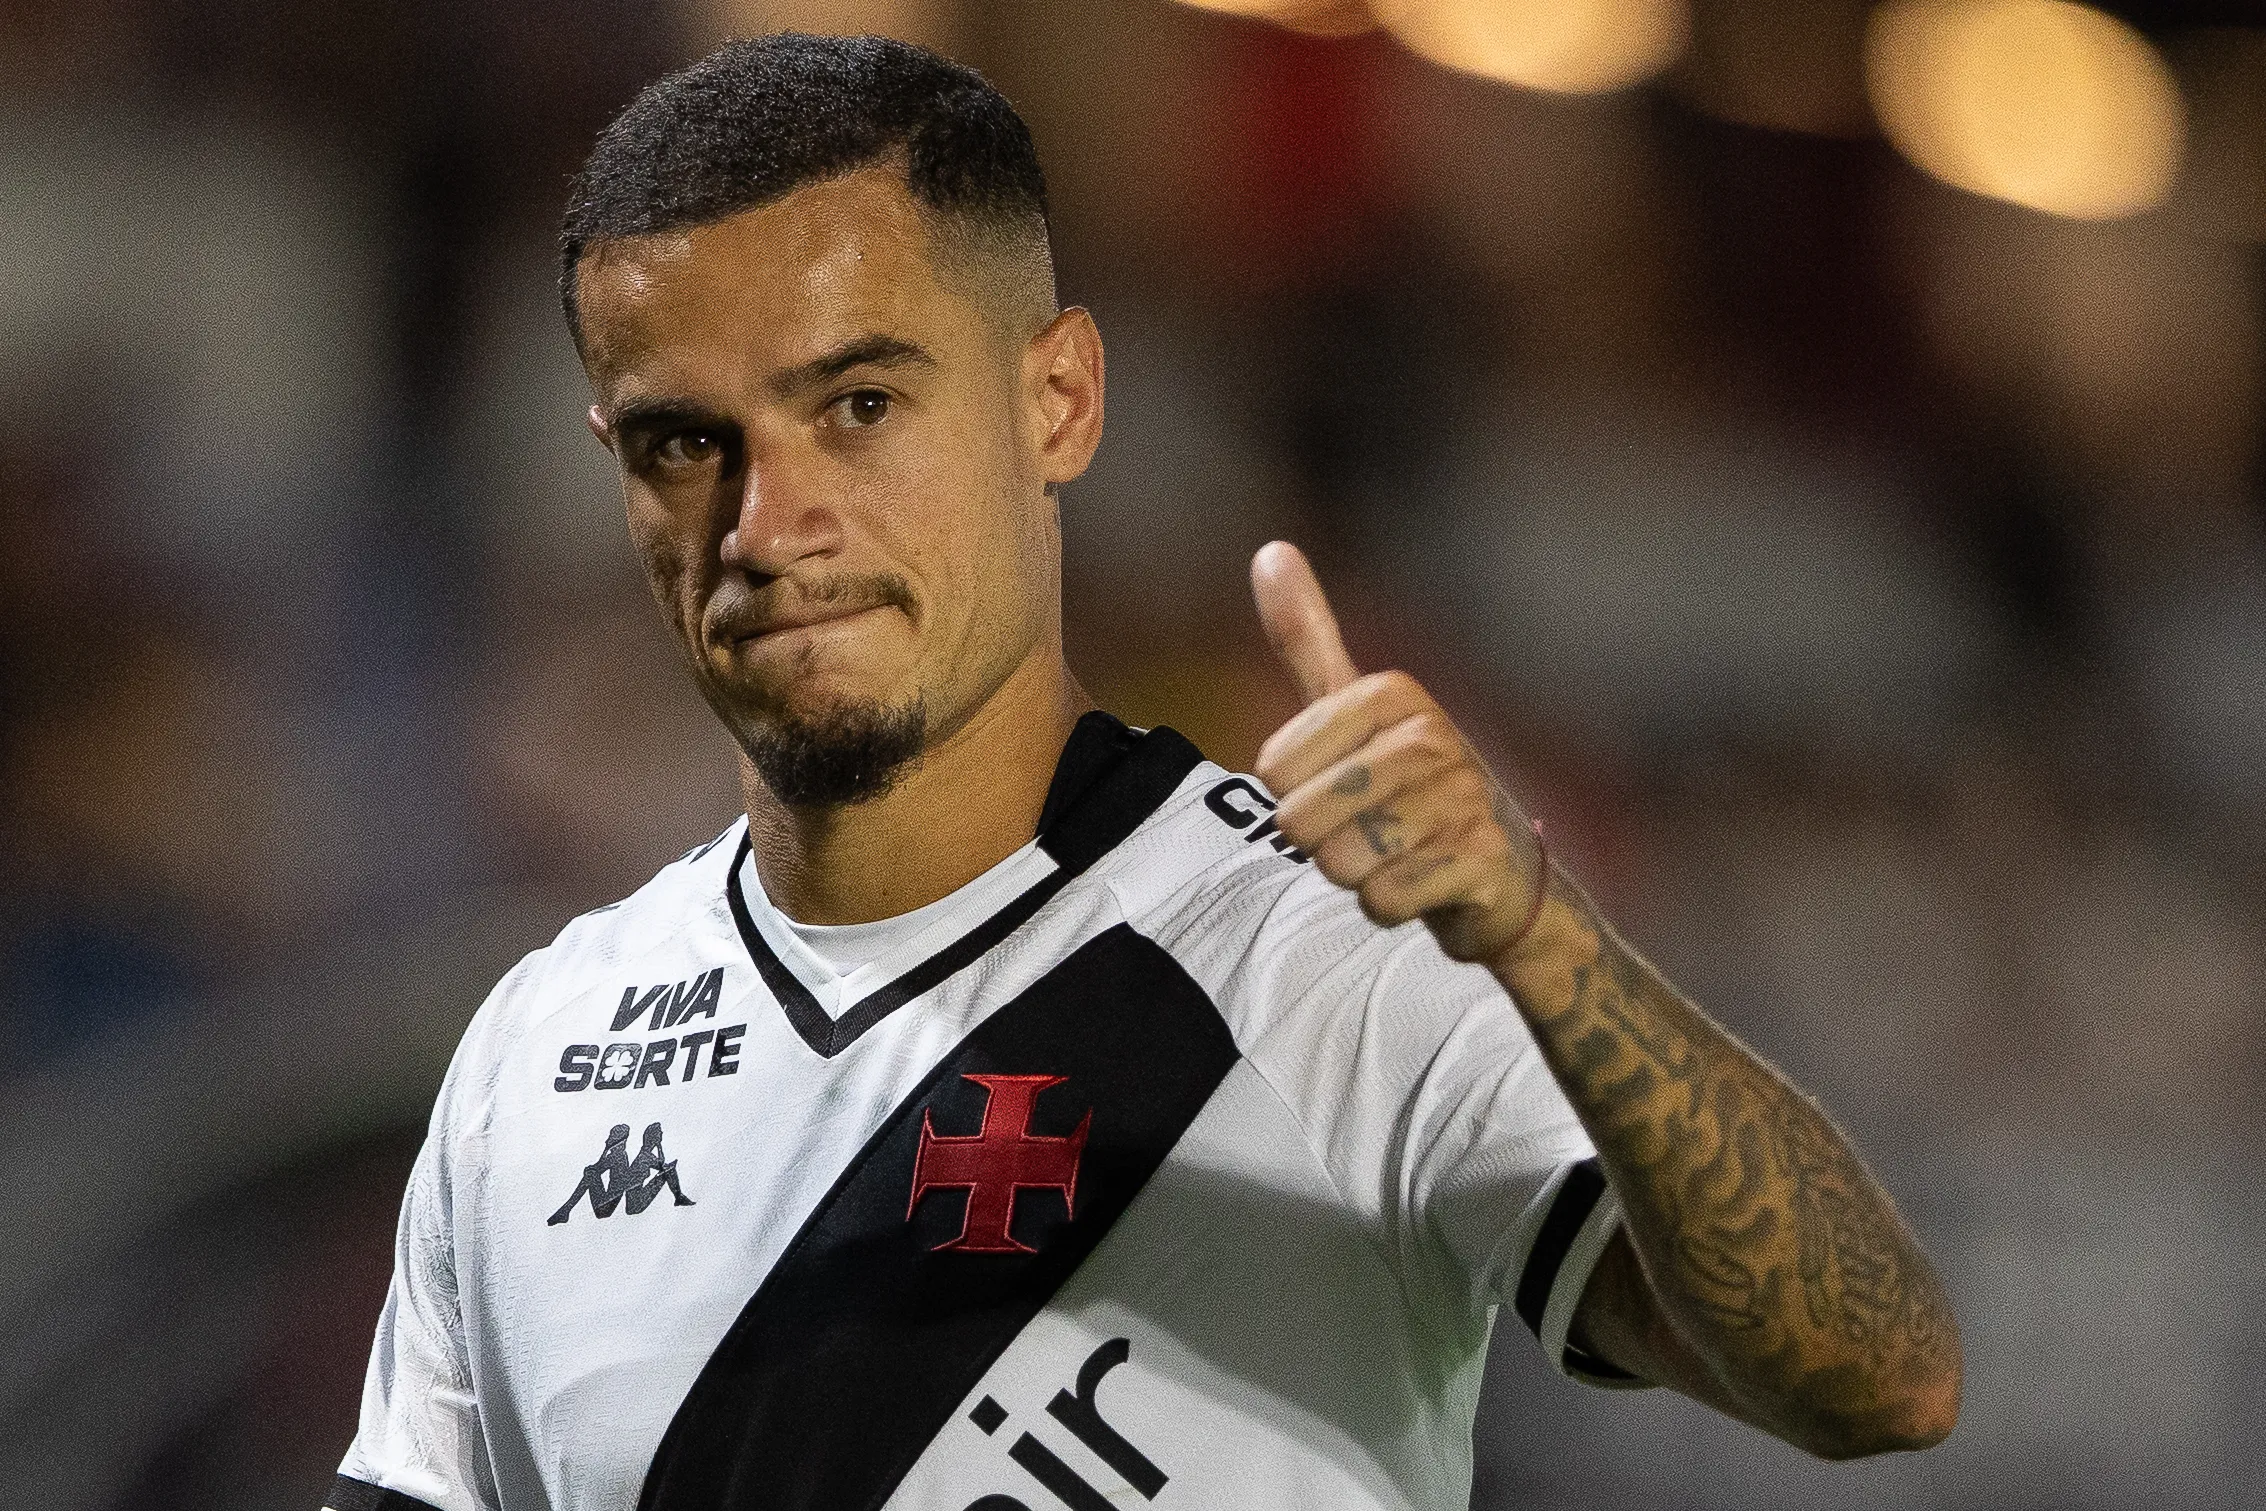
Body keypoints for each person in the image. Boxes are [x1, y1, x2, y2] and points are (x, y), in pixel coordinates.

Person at [326, 33, 1959, 1511]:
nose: (767, 524)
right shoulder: (538, 1052)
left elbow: (1877, 1375)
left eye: (861, 403)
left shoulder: (1334, 957)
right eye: (690, 440)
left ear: (1059, 399)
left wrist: (1542, 936)